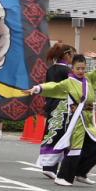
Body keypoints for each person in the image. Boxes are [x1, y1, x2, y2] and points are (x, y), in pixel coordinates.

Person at [23, 52, 96, 186]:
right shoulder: (68, 82)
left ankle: (81, 172)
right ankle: (63, 177)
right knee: (75, 148)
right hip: (76, 119)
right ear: (72, 68)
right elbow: (54, 87)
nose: (80, 71)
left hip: (88, 120)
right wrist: (37, 88)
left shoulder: (89, 78)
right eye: (78, 68)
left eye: (83, 68)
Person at [37, 43, 74, 178]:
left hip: (51, 103)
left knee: (52, 133)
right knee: (62, 135)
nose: (73, 58)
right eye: (72, 55)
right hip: (63, 105)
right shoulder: (67, 72)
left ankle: (49, 165)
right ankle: (52, 167)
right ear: (66, 55)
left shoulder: (51, 69)